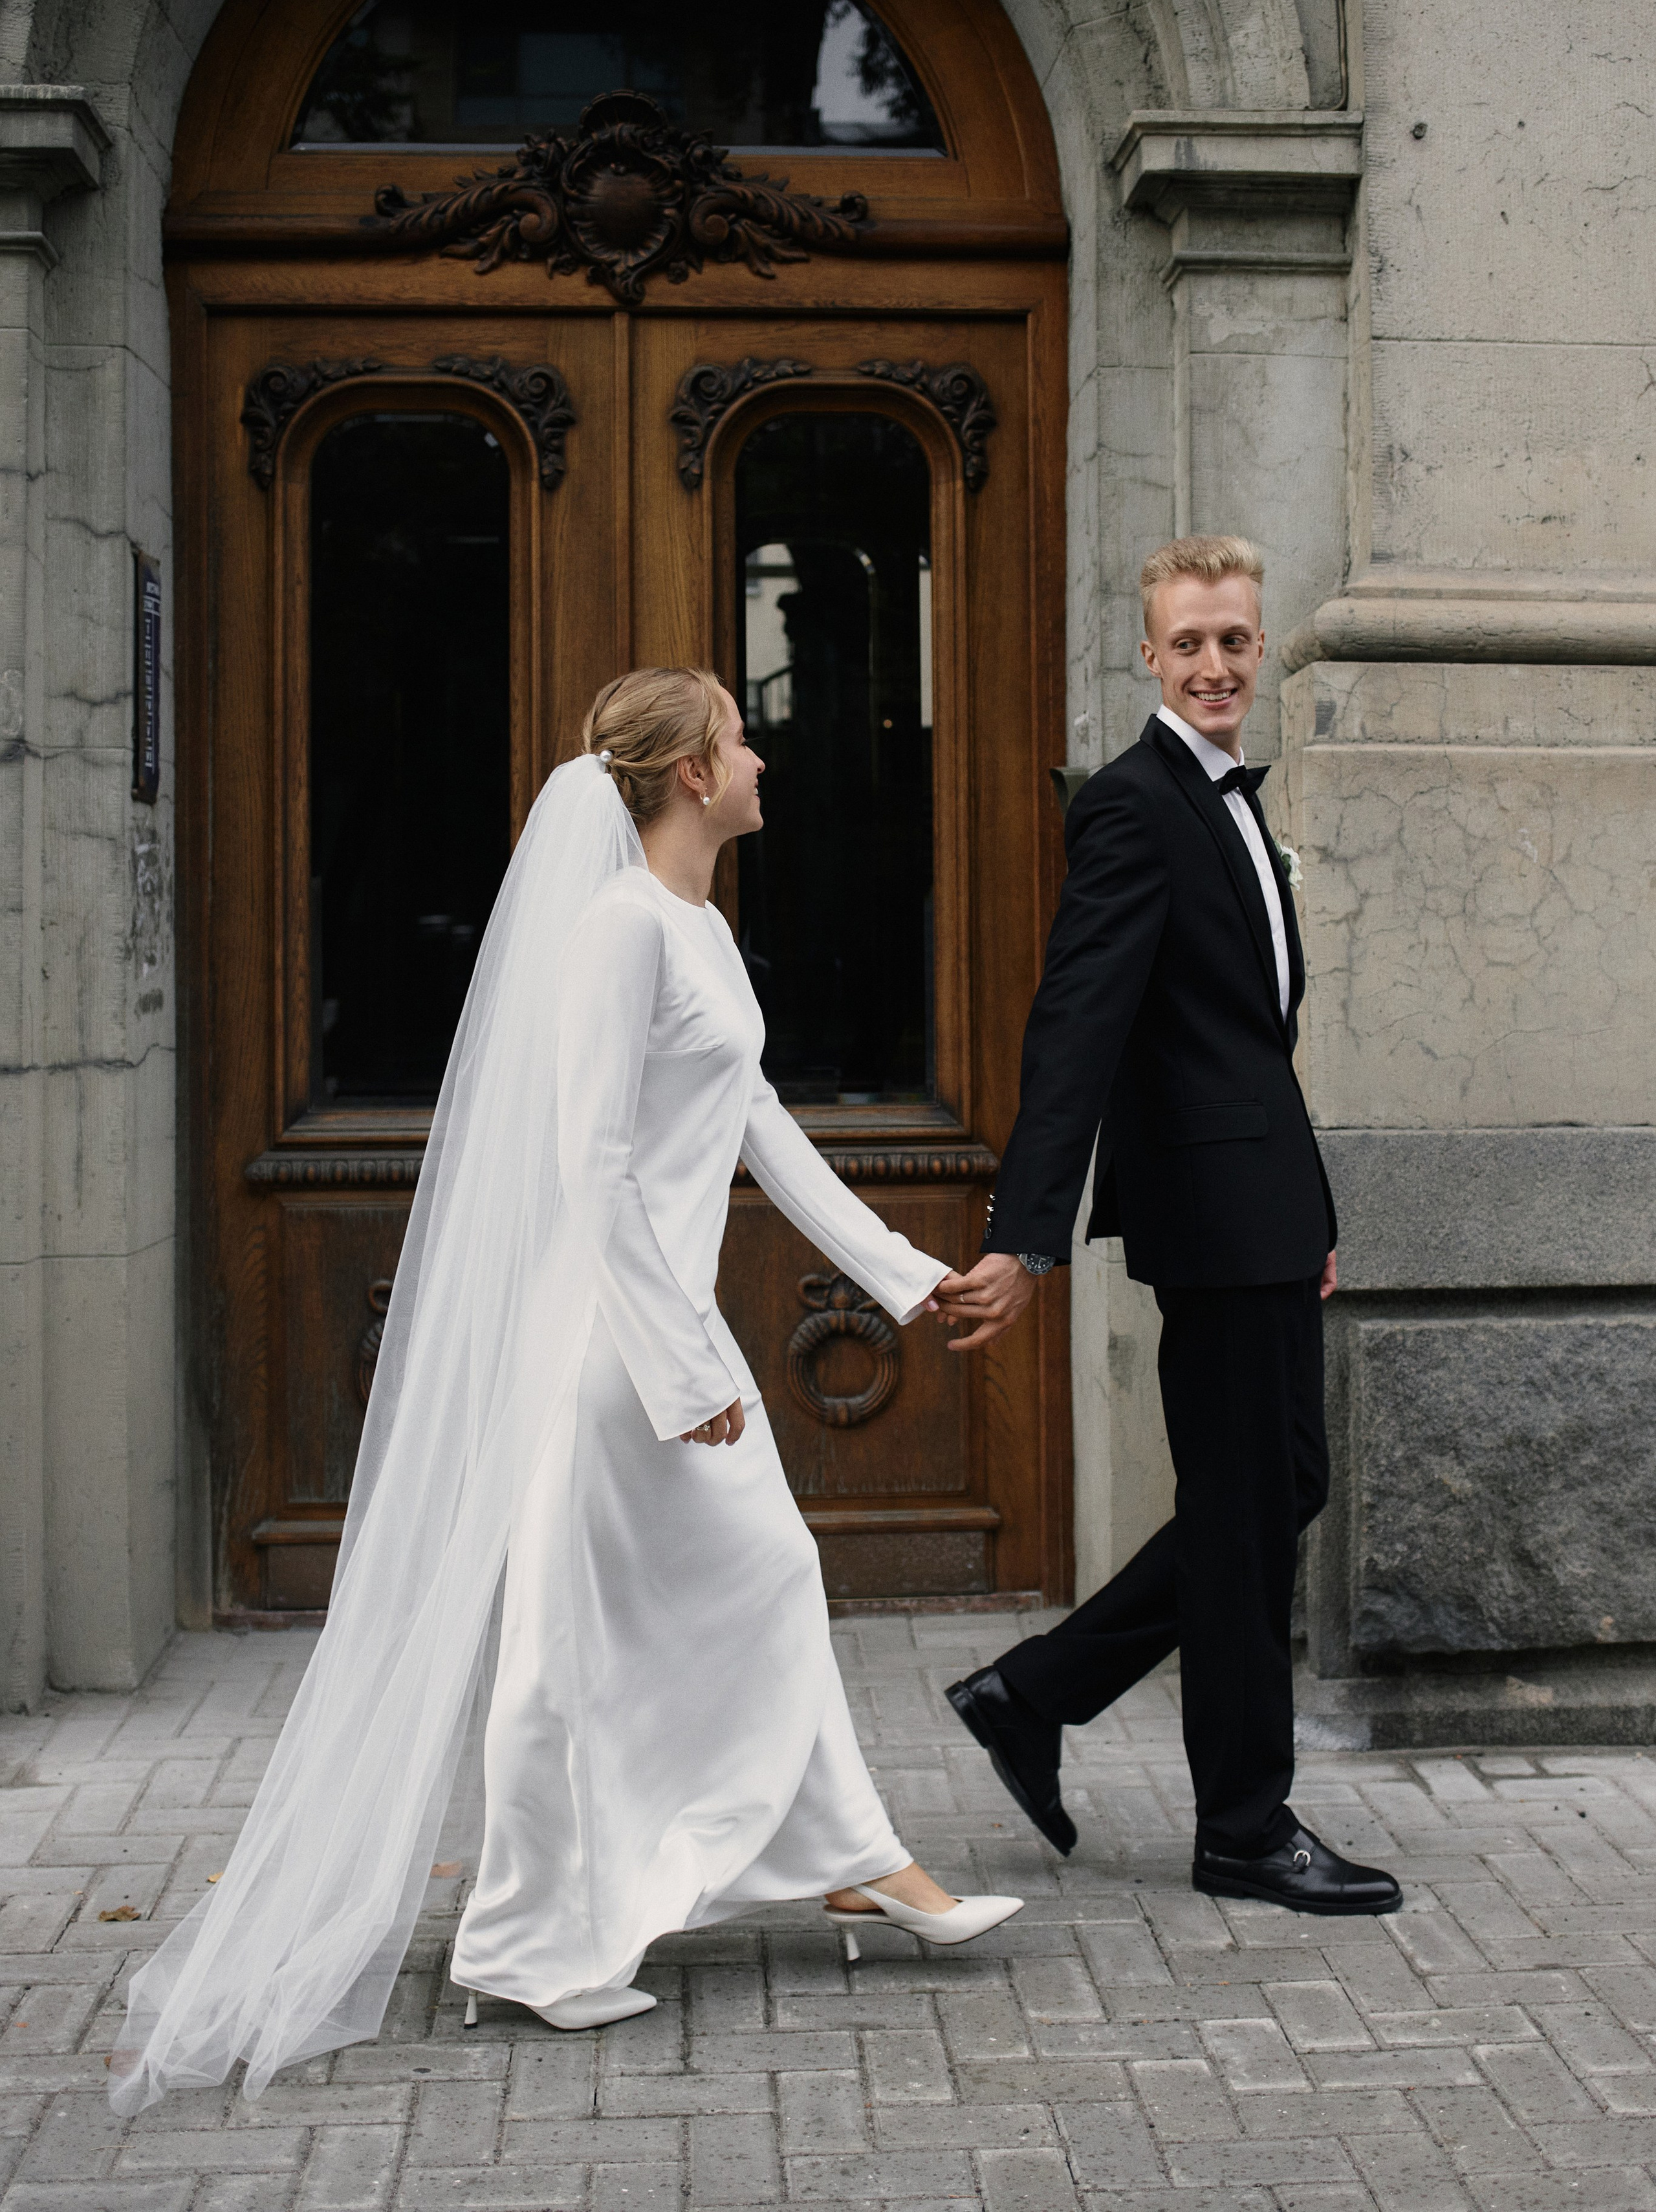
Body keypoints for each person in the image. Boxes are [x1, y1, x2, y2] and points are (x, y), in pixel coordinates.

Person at [111, 668, 1018, 2113]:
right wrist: (670, 1364)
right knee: (583, 1636)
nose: (760, 752)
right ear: (682, 770)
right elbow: (586, 1166)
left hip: (668, 1336)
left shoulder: (700, 930)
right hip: (614, 1343)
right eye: (736, 735)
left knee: (707, 1600)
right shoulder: (613, 935)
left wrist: (915, 1274)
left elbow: (761, 1132)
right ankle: (548, 1931)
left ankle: (844, 1864)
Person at [936, 537, 1400, 1917]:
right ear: (1145, 654)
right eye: (1187, 643)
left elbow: (1248, 1041)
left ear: (1258, 649)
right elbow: (1075, 1026)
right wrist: (1025, 1237)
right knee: (1250, 1518)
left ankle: (1037, 1687)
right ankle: (1243, 1828)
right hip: (1207, 1221)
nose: (1211, 665)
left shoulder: (1232, 804)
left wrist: (1307, 1213)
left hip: (1260, 1212)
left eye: (1234, 642)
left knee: (1273, 1493)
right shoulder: (1134, 806)